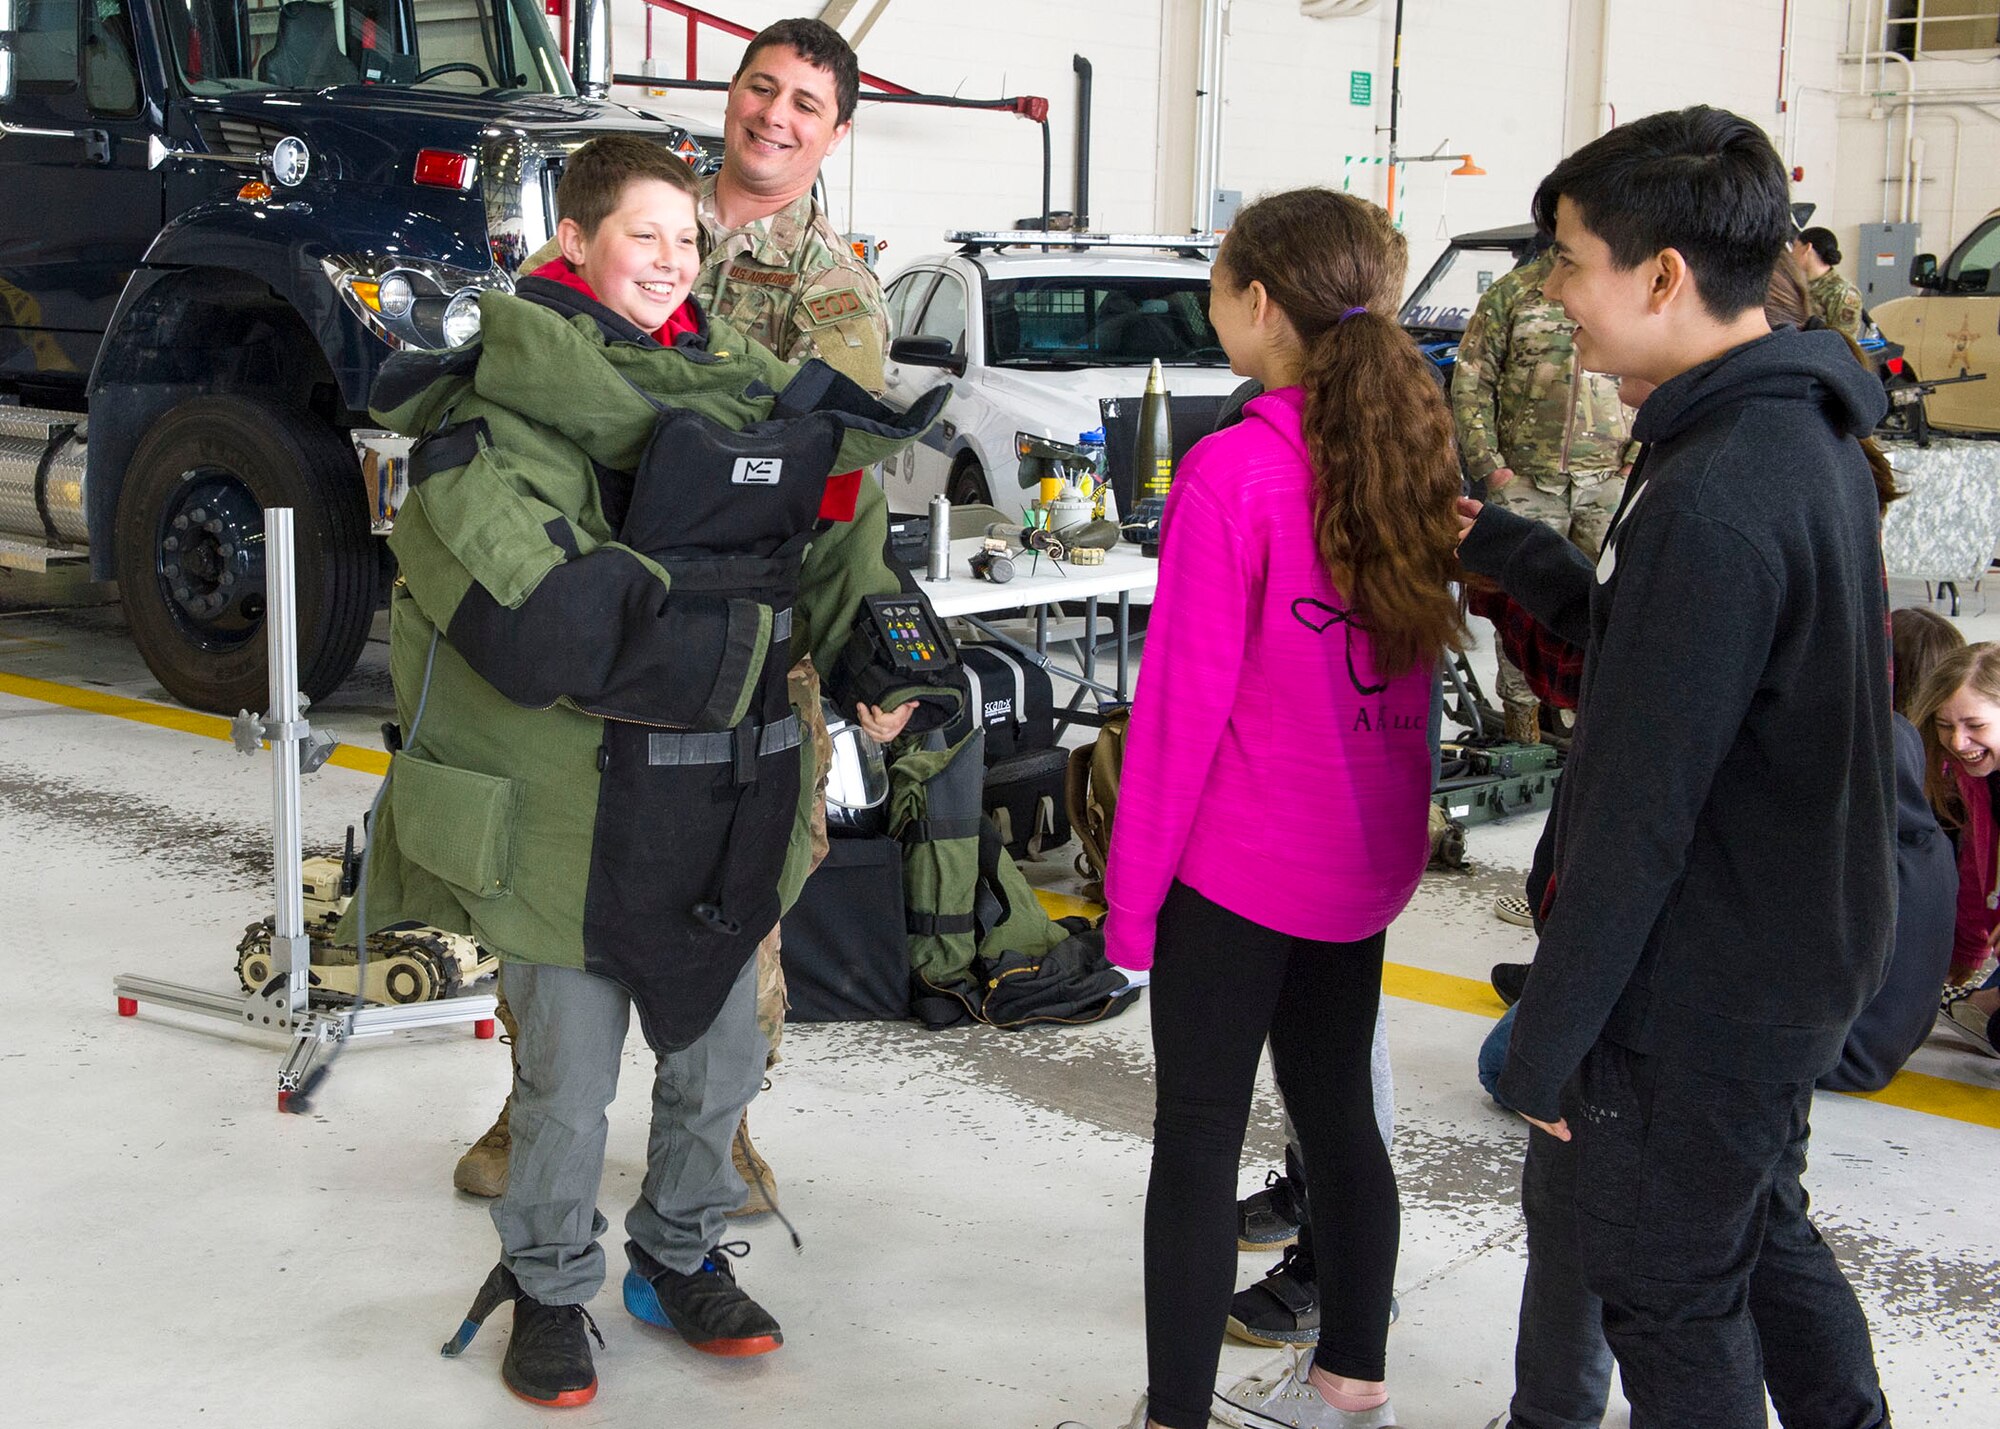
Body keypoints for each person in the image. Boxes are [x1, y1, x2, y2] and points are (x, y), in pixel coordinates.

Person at [364, 134, 955, 1407]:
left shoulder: (744, 393)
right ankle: (545, 1280)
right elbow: (553, 626)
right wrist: (722, 595)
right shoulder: (498, 409)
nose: (673, 259)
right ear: (571, 241)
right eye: (644, 235)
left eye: (687, 238)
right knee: (566, 1086)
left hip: (733, 796)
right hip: (577, 810)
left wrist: (878, 657)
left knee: (720, 1059)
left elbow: (825, 543)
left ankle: (675, 1251)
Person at [1457, 106, 1894, 1428]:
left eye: (1573, 261)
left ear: (1661, 277)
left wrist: (1550, 1044)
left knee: (1671, 1288)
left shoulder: (1713, 488)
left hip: (1710, 970)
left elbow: (1641, 814)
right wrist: (1523, 553)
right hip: (1797, 938)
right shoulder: (1790, 431)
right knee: (1755, 1225)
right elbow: (1686, 666)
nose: (1554, 298)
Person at [453, 17, 893, 1209]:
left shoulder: (836, 293)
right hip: (599, 618)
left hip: (746, 639)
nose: (775, 116)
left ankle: (716, 1129)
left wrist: (854, 656)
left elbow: (839, 493)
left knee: (735, 893)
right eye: (761, 88)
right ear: (731, 94)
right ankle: (536, 1096)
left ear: (833, 132)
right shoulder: (638, 216)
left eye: (806, 102)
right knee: (562, 864)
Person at [1102, 187, 1463, 1429]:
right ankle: (1350, 1376)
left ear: (1254, 306)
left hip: (1237, 870)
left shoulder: (1234, 470)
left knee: (1196, 1137)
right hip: (1355, 870)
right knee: (1337, 1118)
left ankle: (1173, 1415)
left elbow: (1177, 716)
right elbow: (1411, 693)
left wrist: (1130, 902)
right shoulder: (1412, 448)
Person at [1450, 241, 1636, 746]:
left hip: (1607, 479)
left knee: (1612, 610)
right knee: (1521, 602)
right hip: (1528, 481)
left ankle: (1596, 730)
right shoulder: (1513, 293)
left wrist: (1634, 456)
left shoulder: (1616, 288)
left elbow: (1646, 364)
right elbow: (1472, 381)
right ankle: (1523, 736)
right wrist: (1491, 467)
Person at [1916, 642, 2000, 1056]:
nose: (1958, 740)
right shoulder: (1978, 777)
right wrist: (1969, 948)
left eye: (1974, 725)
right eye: (1944, 725)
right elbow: (1979, 870)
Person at [1793, 226, 1865, 341]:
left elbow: (1844, 342)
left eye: (1795, 246)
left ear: (1807, 248)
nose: (1792, 252)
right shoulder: (1799, 285)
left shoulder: (1843, 293)